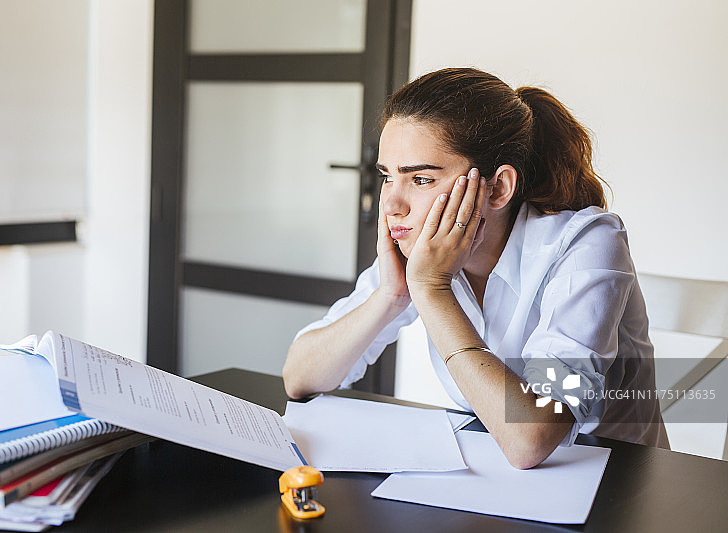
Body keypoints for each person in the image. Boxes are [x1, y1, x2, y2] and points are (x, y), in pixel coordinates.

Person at [282, 67, 669, 469]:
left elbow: (531, 438)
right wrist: (391, 296)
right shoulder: (423, 253)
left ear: (498, 188)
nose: (393, 205)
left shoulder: (587, 244)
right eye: (387, 176)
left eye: (421, 179)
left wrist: (432, 290)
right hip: (495, 470)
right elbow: (299, 377)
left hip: (616, 481)